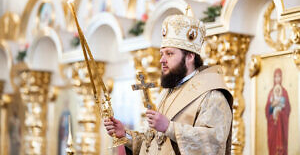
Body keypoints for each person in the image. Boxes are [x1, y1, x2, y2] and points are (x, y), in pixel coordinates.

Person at [104, 13, 233, 155]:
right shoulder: (168, 92)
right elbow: (154, 144)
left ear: (190, 57)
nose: (162, 60)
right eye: (162, 54)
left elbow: (214, 143)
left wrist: (169, 128)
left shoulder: (212, 95)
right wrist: (125, 134)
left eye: (169, 54)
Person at [265, 68, 290, 155]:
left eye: (279, 76)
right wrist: (272, 105)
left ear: (281, 78)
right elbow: (267, 111)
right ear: (273, 78)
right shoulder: (271, 93)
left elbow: (288, 109)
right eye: (276, 77)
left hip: (282, 124)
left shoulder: (285, 92)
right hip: (273, 124)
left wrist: (281, 112)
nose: (277, 79)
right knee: (272, 144)